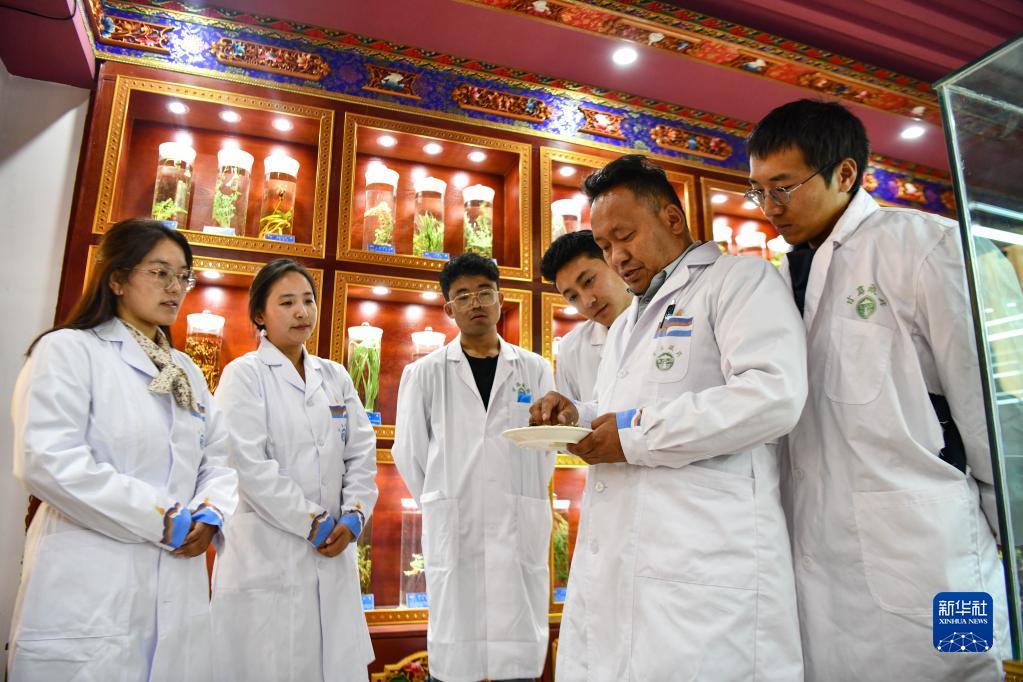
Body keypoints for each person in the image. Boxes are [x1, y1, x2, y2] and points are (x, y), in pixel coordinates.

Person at [747, 98, 1009, 681]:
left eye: (784, 188)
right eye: (758, 191)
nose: (769, 208)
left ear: (845, 174)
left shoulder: (925, 245)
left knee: (969, 667)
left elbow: (985, 406)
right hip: (822, 560)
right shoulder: (778, 279)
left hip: (941, 554)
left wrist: (1011, 532)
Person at [530, 154, 807, 681]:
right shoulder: (628, 321)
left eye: (625, 237)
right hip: (625, 568)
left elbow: (772, 395)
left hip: (703, 571)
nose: (617, 257)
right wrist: (578, 415)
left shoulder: (739, 281)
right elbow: (626, 412)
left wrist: (631, 438)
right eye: (605, 246)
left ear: (672, 219)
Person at [7, 218, 238, 681]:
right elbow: (49, 461)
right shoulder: (68, 350)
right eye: (160, 272)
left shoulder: (187, 371)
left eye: (183, 276)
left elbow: (219, 457)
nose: (175, 287)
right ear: (117, 278)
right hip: (90, 584)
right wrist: (164, 519)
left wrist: (210, 513)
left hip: (178, 583)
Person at [210, 258, 378, 681]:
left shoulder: (335, 376)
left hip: (335, 552)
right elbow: (248, 465)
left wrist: (355, 514)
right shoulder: (243, 375)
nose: (302, 312)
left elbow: (361, 451)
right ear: (260, 315)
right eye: (286, 303)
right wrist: (312, 521)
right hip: (268, 557)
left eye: (308, 300)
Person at [392, 253, 555, 682]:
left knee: (516, 659)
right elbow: (409, 452)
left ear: (500, 298)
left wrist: (517, 494)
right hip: (455, 520)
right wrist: (442, 498)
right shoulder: (424, 373)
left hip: (518, 519)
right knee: (457, 655)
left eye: (484, 292)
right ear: (449, 309)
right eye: (462, 296)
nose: (475, 302)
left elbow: (546, 450)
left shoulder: (535, 368)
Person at [540, 229, 632, 402]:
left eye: (589, 281)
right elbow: (573, 414)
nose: (588, 301)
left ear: (612, 261)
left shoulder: (666, 318)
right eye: (573, 297)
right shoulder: (571, 348)